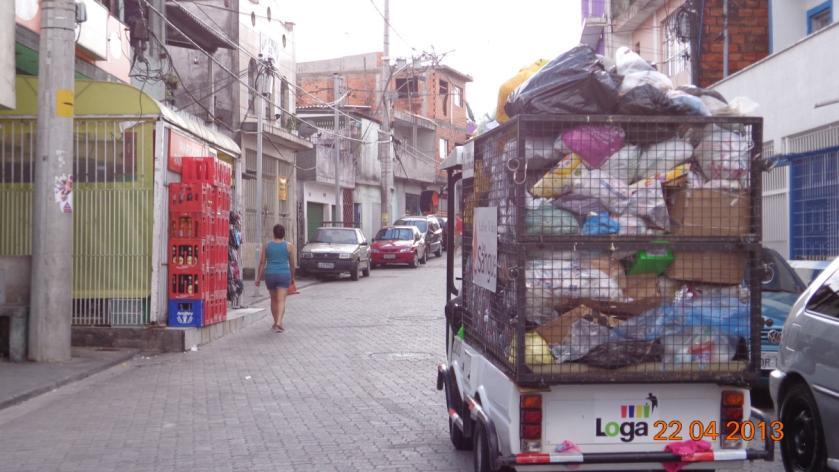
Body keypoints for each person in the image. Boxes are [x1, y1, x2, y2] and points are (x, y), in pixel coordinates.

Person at [256, 224, 296, 332]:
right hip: (284, 274)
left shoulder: (267, 245)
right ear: (284, 234)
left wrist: (258, 278)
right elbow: (292, 265)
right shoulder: (289, 246)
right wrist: (293, 277)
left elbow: (262, 263)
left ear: (273, 233)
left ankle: (275, 322)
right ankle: (279, 322)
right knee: (281, 300)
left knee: (273, 300)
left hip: (270, 275)